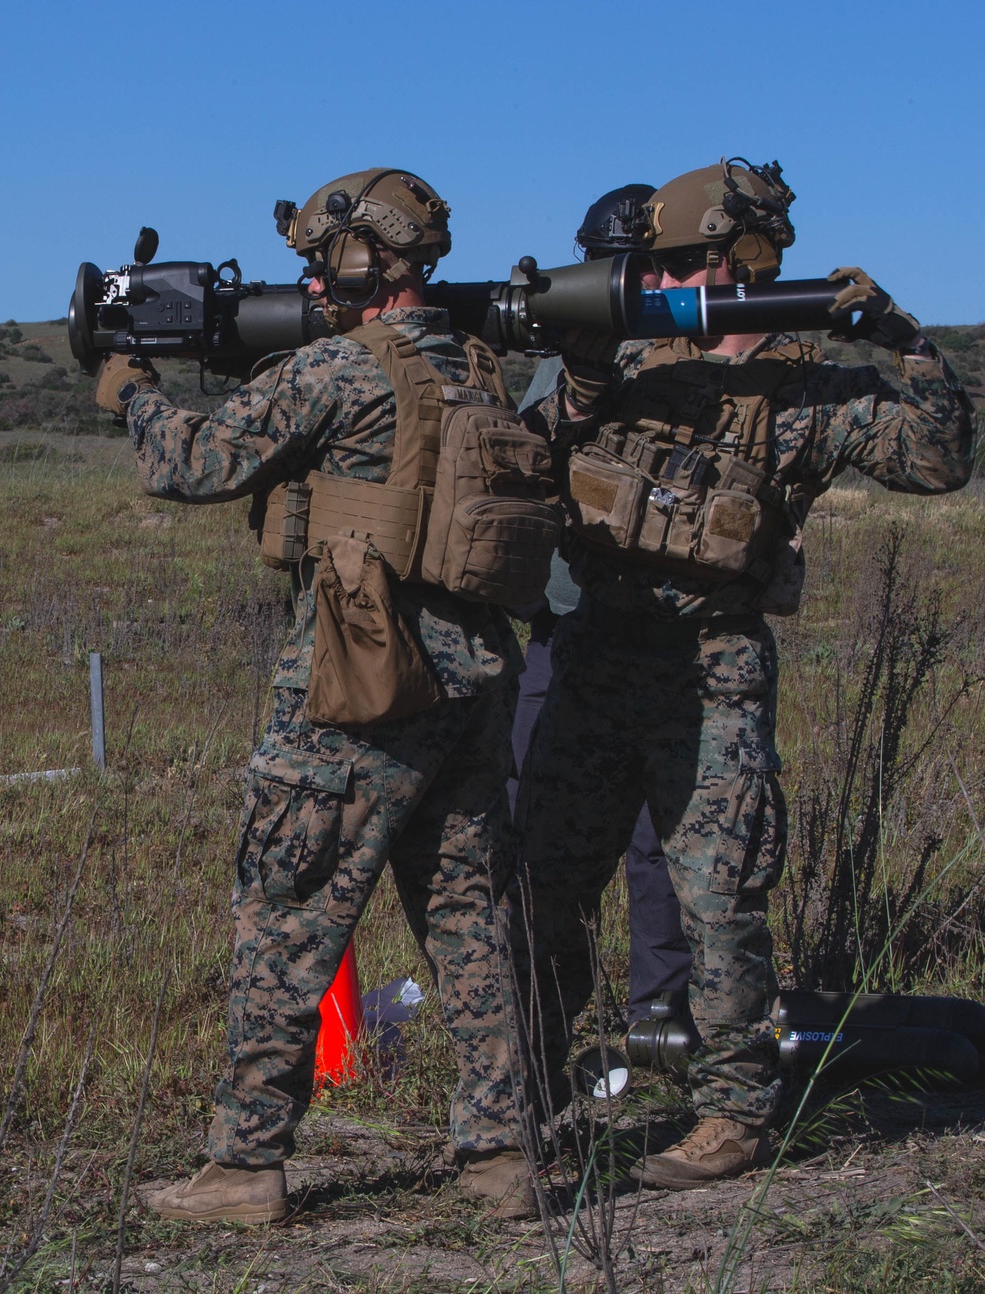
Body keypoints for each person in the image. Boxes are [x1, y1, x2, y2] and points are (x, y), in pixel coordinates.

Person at [510, 157, 977, 1189]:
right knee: (543, 890)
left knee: (718, 899)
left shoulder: (806, 385)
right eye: (681, 257)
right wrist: (573, 357)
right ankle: (526, 1107)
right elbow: (520, 460)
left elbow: (940, 460)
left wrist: (902, 342)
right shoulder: (625, 357)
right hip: (593, 656)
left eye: (710, 254)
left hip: (710, 668)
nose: (695, 270)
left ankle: (730, 1116)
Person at [95, 168, 547, 1222]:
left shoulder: (339, 371)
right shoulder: (478, 369)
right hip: (472, 681)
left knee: (284, 913)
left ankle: (245, 1165)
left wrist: (132, 390)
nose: (305, 275)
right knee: (469, 923)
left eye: (319, 257)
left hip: (356, 685)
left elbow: (196, 463)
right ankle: (502, 1157)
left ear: (360, 258)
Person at [508, 184, 692, 1026]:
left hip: (663, 637)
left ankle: (660, 1012)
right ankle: (545, 1010)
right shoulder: (563, 361)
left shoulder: (687, 359)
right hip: (563, 633)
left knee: (666, 835)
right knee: (543, 826)